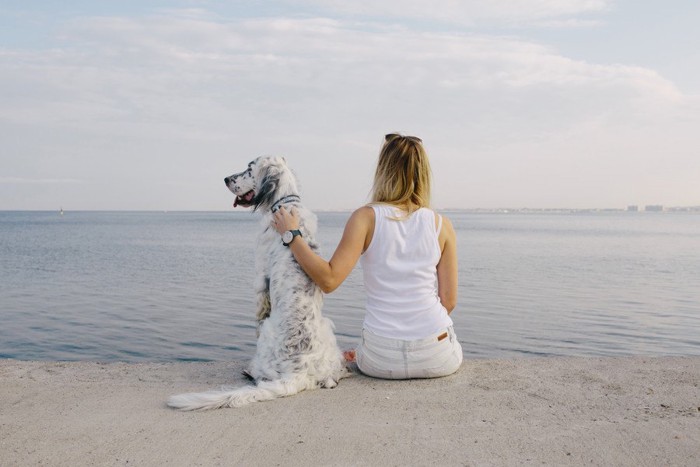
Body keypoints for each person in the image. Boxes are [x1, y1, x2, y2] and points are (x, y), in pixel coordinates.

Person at [272, 133, 462, 379]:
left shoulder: (365, 218)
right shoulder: (441, 225)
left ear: (383, 170)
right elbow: (449, 301)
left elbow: (329, 280)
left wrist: (292, 235)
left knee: (364, 352)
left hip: (380, 359)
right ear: (424, 173)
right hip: (437, 355)